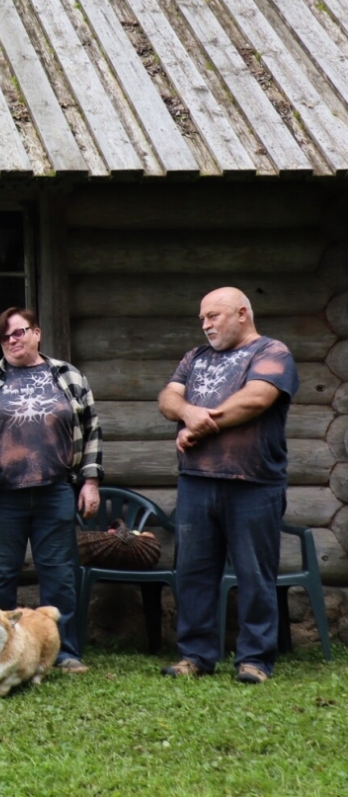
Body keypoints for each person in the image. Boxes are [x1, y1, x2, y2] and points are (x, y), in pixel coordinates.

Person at [157, 287, 297, 684]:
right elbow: (168, 397)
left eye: (213, 316)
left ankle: (255, 660)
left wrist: (199, 425)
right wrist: (187, 413)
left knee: (255, 574)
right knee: (193, 573)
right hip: (197, 483)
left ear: (241, 314)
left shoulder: (272, 352)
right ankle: (195, 656)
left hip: (253, 483)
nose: (205, 325)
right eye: (202, 318)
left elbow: (256, 398)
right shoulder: (195, 358)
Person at [0, 306, 101, 675]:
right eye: (4, 336)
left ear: (36, 333)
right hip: (3, 495)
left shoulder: (67, 376)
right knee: (0, 575)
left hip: (56, 490)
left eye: (18, 333)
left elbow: (91, 430)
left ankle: (65, 653)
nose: (12, 341)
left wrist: (91, 481)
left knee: (60, 575)